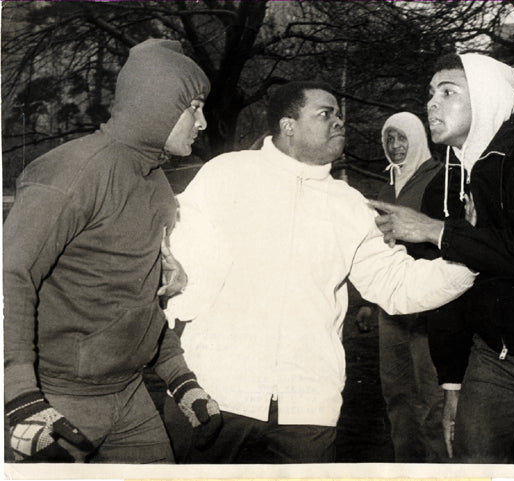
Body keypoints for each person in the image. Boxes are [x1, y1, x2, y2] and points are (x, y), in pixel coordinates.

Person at [161, 80, 476, 464]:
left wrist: (469, 257)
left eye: (340, 114)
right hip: (216, 393)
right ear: (287, 125)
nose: (339, 122)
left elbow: (398, 285)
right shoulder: (225, 175)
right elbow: (171, 257)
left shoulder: (349, 204)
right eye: (326, 114)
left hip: (308, 409)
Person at [370, 53, 514, 463]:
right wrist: (453, 383)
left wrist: (437, 231)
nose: (432, 103)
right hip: (493, 356)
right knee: (471, 465)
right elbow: (443, 287)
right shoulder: (444, 183)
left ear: (488, 98)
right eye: (430, 93)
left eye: (449, 91)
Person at [3, 38, 222, 463]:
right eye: (194, 106)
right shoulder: (72, 172)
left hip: (130, 394)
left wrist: (180, 380)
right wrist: (20, 396)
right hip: (56, 398)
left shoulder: (157, 187)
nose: (203, 123)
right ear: (156, 103)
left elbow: (138, 300)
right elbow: (9, 277)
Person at [370, 112, 449, 462]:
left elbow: (449, 239)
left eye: (402, 139)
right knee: (397, 394)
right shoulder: (386, 188)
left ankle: (439, 466)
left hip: (429, 307)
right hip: (391, 309)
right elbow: (376, 250)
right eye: (390, 140)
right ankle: (407, 465)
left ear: (417, 139)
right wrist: (367, 303)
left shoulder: (442, 179)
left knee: (433, 398)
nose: (396, 147)